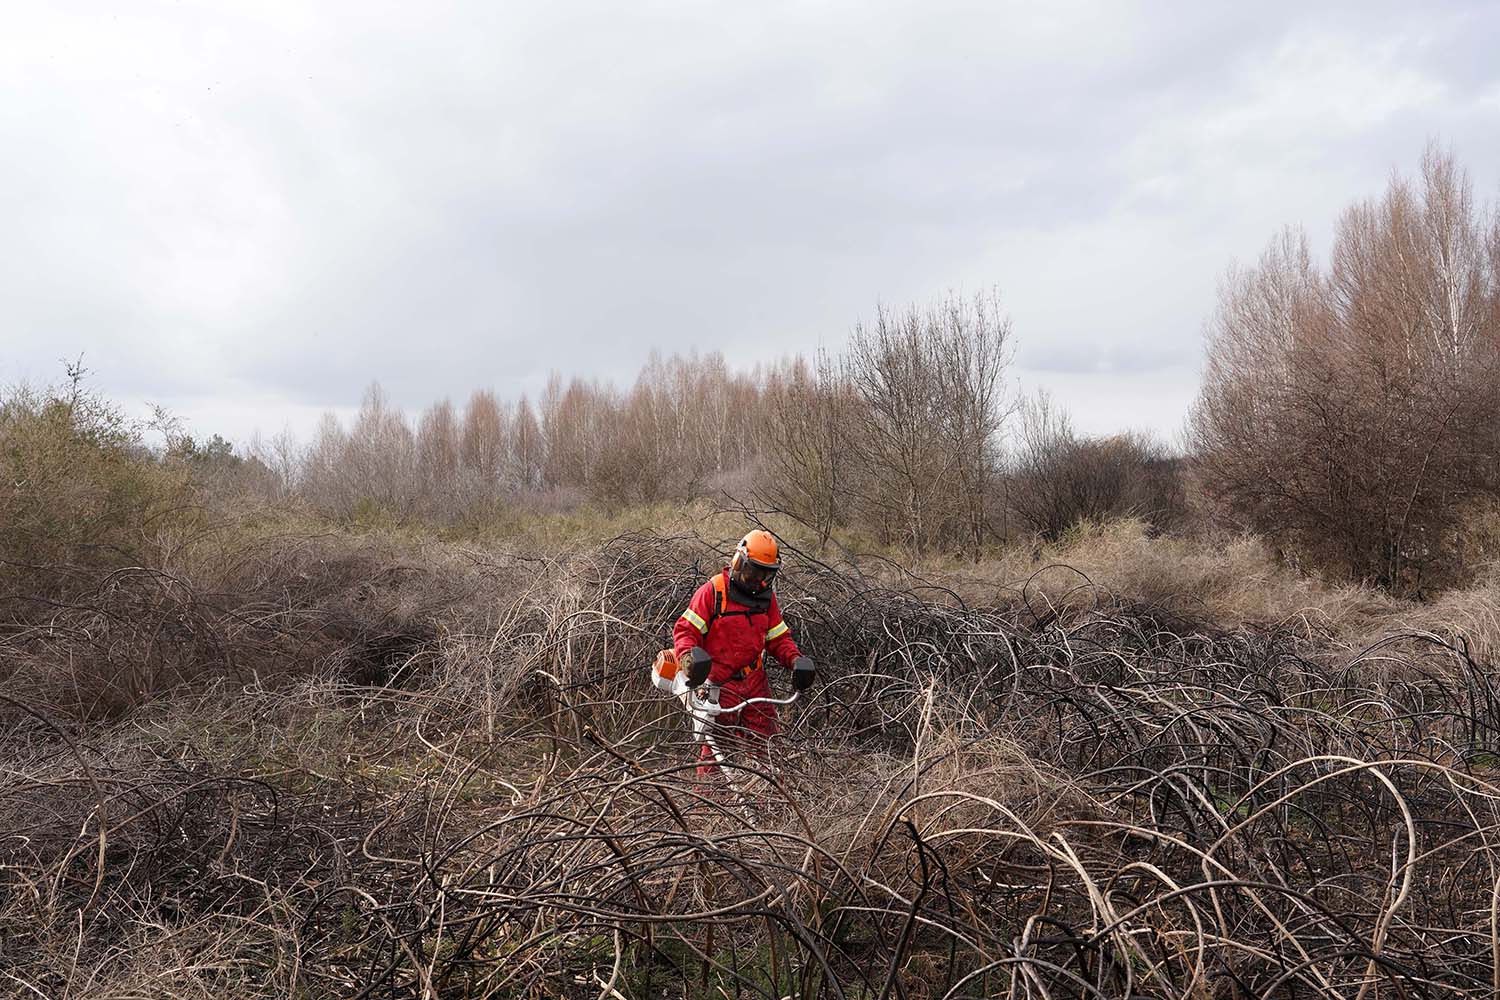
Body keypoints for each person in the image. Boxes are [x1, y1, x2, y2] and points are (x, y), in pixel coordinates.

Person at [673, 529, 815, 775]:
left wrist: (795, 660)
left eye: (765, 575)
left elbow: (779, 638)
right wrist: (689, 659)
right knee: (716, 755)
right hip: (719, 685)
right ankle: (709, 808)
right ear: (739, 563)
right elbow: (685, 631)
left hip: (754, 682)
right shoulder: (714, 592)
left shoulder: (766, 600)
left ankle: (770, 802)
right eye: (753, 572)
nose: (758, 581)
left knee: (769, 750)